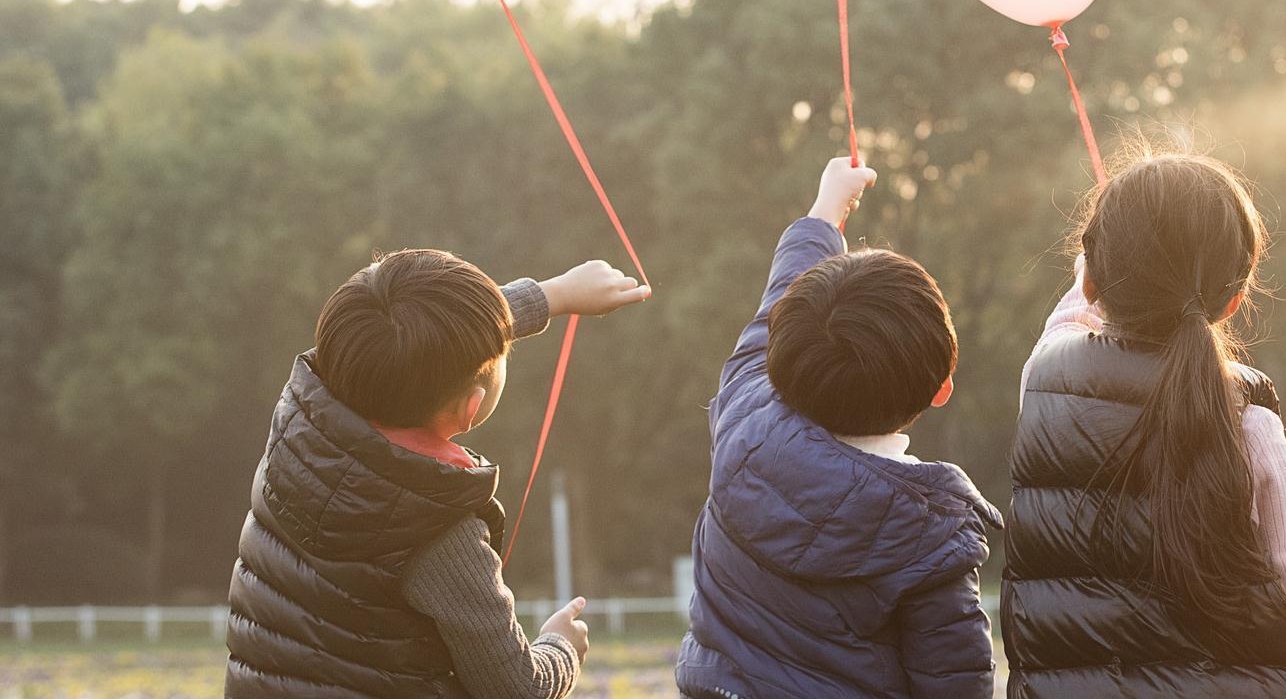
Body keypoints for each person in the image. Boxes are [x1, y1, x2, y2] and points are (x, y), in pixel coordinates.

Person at [1004, 151, 1286, 699]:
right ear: (1234, 300)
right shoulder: (1248, 422)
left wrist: (1094, 264)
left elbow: (1068, 317)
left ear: (1092, 281)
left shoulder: (1042, 381)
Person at [225, 248, 649, 699]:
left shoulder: (301, 424)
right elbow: (517, 689)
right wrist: (561, 647)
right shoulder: (435, 529)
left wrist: (554, 294)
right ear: (470, 408)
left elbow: (415, 342)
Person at [676, 157, 1002, 699]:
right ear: (942, 388)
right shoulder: (929, 536)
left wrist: (825, 211)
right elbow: (956, 684)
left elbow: (777, 300)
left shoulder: (743, 415)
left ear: (779, 355)